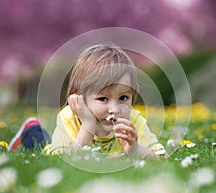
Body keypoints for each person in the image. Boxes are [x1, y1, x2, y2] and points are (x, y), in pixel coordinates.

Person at [9, 43, 165, 158]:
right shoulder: (69, 118)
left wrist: (135, 149)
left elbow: (163, 157)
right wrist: (88, 126)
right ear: (79, 99)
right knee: (39, 146)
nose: (115, 109)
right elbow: (62, 161)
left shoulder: (133, 121)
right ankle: (31, 130)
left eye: (123, 97)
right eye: (103, 99)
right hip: (55, 149)